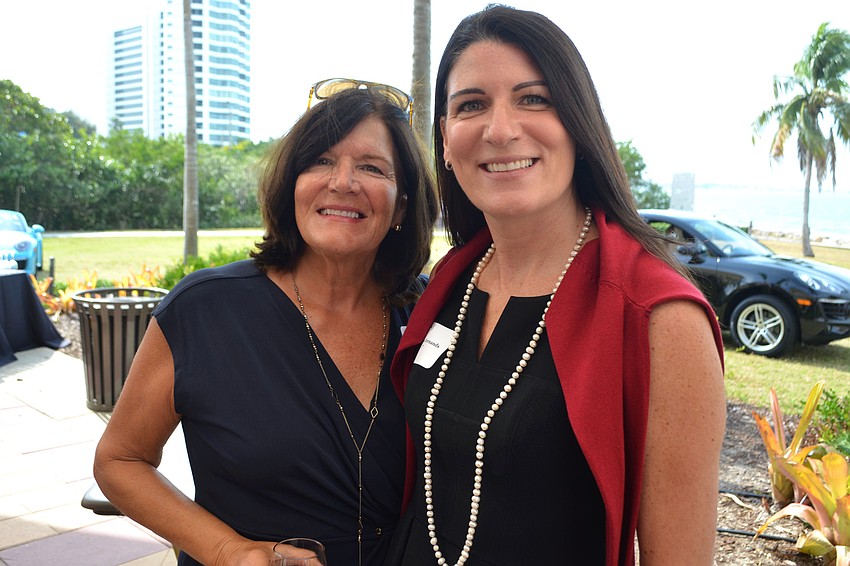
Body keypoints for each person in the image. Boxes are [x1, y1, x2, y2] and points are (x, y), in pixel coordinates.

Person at [385, 6, 726, 566]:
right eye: (471, 105)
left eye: (533, 98)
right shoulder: (450, 283)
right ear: (445, 139)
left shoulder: (656, 316)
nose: (500, 129)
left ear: (578, 121)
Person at [93, 82, 438, 566]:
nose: (342, 182)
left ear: (402, 204)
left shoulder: (434, 312)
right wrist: (230, 551)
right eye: (320, 161)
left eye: (372, 167)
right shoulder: (204, 310)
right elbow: (119, 461)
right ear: (291, 185)